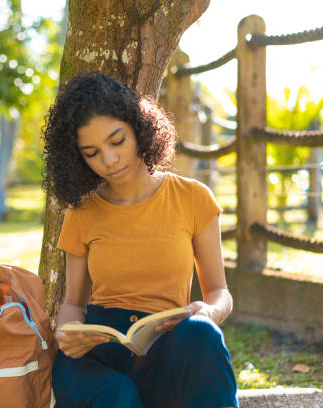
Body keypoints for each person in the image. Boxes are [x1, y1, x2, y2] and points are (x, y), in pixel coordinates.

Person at [41, 71, 239, 408]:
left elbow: (219, 292)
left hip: (164, 345)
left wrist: (208, 312)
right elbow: (73, 302)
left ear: (139, 129)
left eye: (117, 141)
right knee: (116, 395)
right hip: (98, 354)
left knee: (201, 335)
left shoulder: (192, 198)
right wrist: (71, 332)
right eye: (92, 152)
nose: (109, 160)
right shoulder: (82, 212)